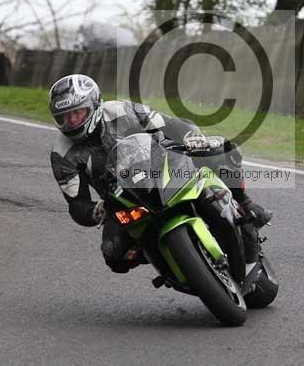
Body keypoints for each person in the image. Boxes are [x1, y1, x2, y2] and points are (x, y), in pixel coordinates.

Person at [48, 74, 272, 273]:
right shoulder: (62, 153)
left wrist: (190, 138)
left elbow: (169, 124)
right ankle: (162, 256)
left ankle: (245, 203)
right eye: (64, 117)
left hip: (163, 167)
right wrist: (96, 211)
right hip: (123, 201)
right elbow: (76, 204)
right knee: (114, 255)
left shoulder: (121, 111)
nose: (72, 122)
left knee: (225, 150)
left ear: (95, 104)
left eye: (77, 113)